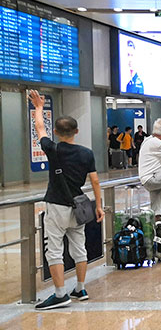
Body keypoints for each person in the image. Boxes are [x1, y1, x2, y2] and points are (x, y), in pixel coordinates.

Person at [28, 90, 104, 310]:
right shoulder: (87, 153)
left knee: (54, 250)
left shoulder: (53, 149)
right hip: (79, 207)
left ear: (56, 132)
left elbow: (39, 128)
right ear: (76, 132)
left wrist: (39, 107)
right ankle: (80, 288)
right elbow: (96, 181)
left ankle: (60, 294)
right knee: (79, 248)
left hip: (57, 206)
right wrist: (98, 206)